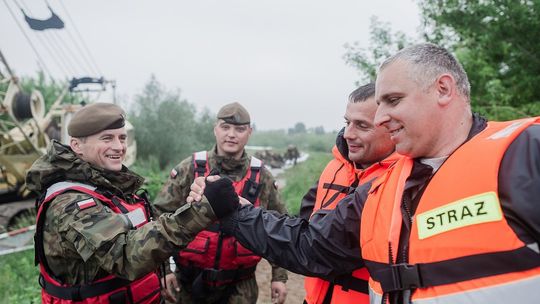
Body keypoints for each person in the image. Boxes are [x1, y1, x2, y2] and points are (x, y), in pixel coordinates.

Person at [189, 43, 540, 304]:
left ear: (443, 89)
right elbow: (311, 246)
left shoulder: (523, 152)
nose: (382, 118)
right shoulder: (381, 188)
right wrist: (233, 209)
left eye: (393, 100)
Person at [26, 102, 239, 304]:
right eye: (107, 138)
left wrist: (198, 199)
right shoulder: (70, 202)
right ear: (77, 146)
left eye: (122, 138)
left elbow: (147, 227)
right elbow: (124, 257)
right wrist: (201, 211)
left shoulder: (110, 186)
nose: (119, 146)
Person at [154, 102, 288, 304]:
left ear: (249, 132)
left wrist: (279, 277)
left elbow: (277, 226)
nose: (231, 134)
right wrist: (163, 270)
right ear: (215, 129)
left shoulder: (262, 177)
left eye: (239, 129)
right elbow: (160, 216)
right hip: (188, 283)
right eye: (225, 127)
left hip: (240, 287)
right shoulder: (189, 168)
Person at [299, 83, 396, 304]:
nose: (347, 134)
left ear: (392, 129)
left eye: (362, 125)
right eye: (347, 123)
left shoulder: (403, 181)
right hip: (315, 298)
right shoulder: (335, 168)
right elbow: (301, 227)